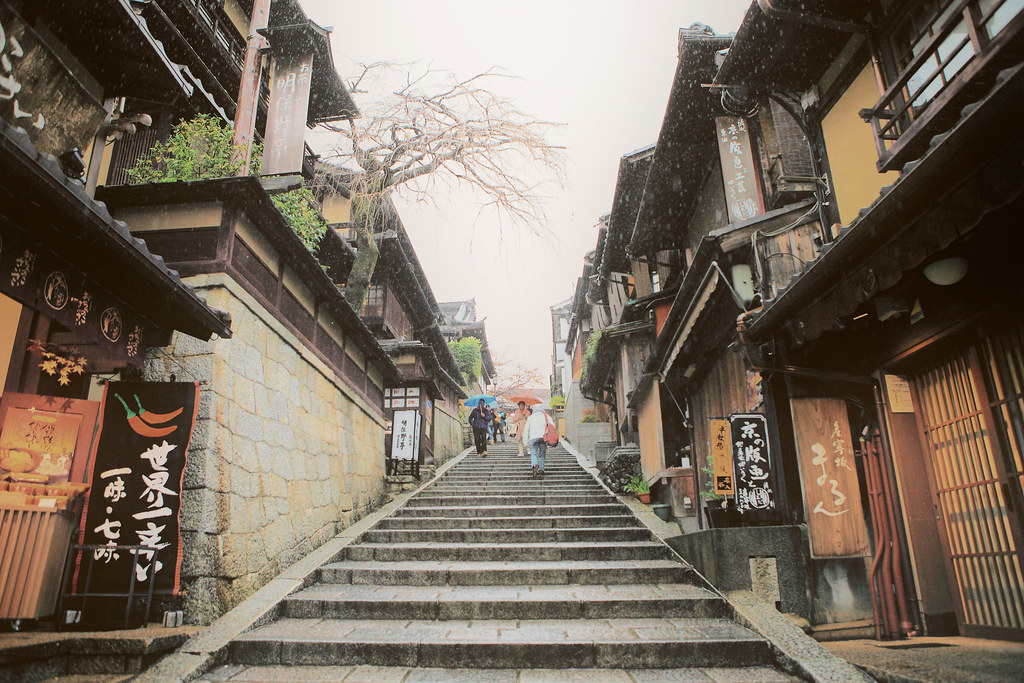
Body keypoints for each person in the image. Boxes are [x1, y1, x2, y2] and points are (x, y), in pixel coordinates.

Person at [523, 407, 555, 477]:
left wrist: (525, 442)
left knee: (534, 453)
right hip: (543, 438)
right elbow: (553, 427)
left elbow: (526, 430)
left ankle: (534, 465)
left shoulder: (530, 417)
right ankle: (541, 469)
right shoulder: (546, 416)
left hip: (533, 438)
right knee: (542, 454)